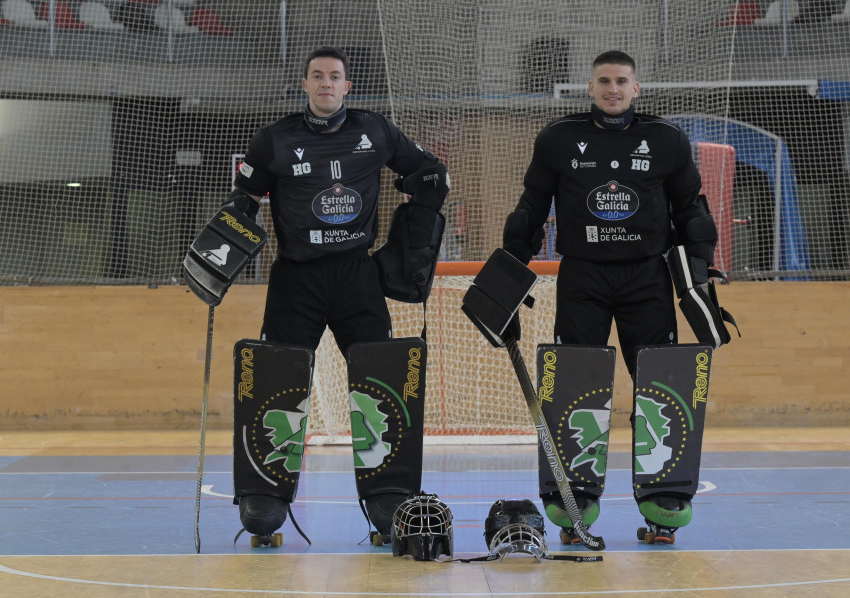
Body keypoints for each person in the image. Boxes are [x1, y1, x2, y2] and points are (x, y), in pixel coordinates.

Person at [227, 46, 448, 542]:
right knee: (277, 384)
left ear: (348, 86)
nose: (326, 83)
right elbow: (243, 205)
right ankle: (265, 497)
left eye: (335, 77)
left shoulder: (376, 131)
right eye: (317, 76)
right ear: (304, 84)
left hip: (358, 279)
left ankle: (388, 498)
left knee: (381, 383)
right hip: (295, 280)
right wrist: (217, 259)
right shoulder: (274, 140)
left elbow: (430, 176)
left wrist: (408, 244)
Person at [501, 50, 719, 542]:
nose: (613, 89)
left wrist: (699, 270)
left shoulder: (666, 140)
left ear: (636, 88)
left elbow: (690, 210)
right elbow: (531, 209)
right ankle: (572, 495)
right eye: (604, 81)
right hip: (583, 278)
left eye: (622, 81)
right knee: (576, 386)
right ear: (592, 86)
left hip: (647, 278)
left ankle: (664, 499)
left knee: (660, 387)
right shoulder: (559, 138)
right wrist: (508, 273)